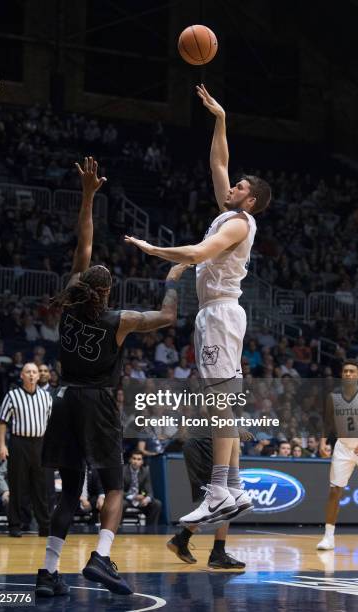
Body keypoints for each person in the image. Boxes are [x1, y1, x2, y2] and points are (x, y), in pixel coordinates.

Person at [36, 157, 188, 598]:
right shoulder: (120, 319)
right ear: (105, 293)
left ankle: (48, 573)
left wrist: (87, 196)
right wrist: (173, 277)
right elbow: (168, 316)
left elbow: (83, 243)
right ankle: (101, 558)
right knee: (116, 485)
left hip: (64, 399)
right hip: (97, 402)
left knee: (68, 495)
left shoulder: (67, 304)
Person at [125, 84, 271, 525]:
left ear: (250, 201)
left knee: (219, 403)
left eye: (241, 186)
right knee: (221, 401)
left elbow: (195, 255)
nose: (233, 185)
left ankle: (222, 489)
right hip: (217, 313)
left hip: (221, 312)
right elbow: (219, 162)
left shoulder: (239, 224)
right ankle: (232, 489)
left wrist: (154, 250)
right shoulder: (230, 212)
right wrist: (221, 119)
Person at [317, 359, 358, 550]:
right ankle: (328, 537)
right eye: (345, 371)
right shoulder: (333, 396)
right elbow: (328, 423)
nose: (348, 374)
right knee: (334, 491)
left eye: (352, 371)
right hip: (342, 446)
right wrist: (323, 441)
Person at [167, 438, 246, 569]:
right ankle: (217, 552)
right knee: (225, 497)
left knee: (223, 498)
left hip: (203, 443)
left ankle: (182, 539)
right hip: (206, 444)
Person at [0, 362, 52, 538]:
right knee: (17, 485)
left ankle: (44, 526)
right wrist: (1, 445)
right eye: (28, 372)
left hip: (41, 443)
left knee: (41, 486)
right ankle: (15, 525)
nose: (31, 375)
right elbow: (2, 422)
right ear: (21, 375)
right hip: (19, 443)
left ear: (38, 376)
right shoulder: (12, 395)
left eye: (34, 372)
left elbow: (51, 424)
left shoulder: (46, 397)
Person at [122, 451, 162, 526]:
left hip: (140, 500)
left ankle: (150, 529)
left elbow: (150, 491)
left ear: (142, 462)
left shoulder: (145, 472)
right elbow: (120, 491)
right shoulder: (123, 471)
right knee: (121, 504)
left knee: (157, 504)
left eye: (139, 459)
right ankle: (117, 528)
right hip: (127, 499)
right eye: (134, 458)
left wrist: (146, 499)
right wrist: (133, 497)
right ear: (130, 460)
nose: (136, 461)